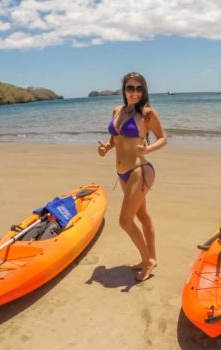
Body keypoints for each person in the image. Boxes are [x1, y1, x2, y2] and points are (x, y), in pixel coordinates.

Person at [97, 72, 167, 281]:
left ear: (143, 91)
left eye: (139, 88)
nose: (134, 93)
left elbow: (163, 138)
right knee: (142, 216)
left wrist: (148, 149)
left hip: (140, 170)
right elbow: (115, 136)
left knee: (125, 221)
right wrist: (107, 147)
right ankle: (151, 256)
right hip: (122, 172)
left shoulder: (147, 113)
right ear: (124, 90)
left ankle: (148, 261)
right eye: (130, 88)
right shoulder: (117, 110)